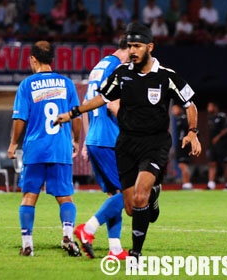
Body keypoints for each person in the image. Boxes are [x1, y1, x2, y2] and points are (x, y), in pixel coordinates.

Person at [53, 22, 201, 259]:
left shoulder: (166, 76)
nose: (133, 50)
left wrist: (192, 131)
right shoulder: (121, 74)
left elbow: (189, 103)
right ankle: (151, 197)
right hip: (125, 145)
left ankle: (133, 253)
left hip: (154, 144)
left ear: (149, 47)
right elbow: (101, 99)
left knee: (137, 195)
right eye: (130, 46)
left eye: (138, 46)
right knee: (132, 206)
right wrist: (73, 113)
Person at [7, 40, 82, 257]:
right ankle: (68, 235)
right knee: (65, 197)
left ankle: (27, 244)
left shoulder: (27, 85)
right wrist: (76, 140)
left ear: (33, 59)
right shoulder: (66, 83)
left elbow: (20, 118)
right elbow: (76, 114)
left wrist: (13, 143)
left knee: (29, 196)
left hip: (35, 149)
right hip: (59, 148)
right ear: (52, 60)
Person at [73, 34, 130, 260]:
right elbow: (113, 104)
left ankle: (115, 249)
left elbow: (88, 105)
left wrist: (87, 139)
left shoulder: (98, 67)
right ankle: (88, 229)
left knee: (116, 194)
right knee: (129, 194)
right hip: (111, 139)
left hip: (97, 138)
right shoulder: (118, 69)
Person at [207, 101, 227, 190]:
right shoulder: (210, 118)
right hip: (212, 145)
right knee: (212, 163)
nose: (208, 108)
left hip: (222, 144)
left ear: (215, 107)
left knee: (224, 164)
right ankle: (211, 184)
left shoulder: (222, 116)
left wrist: (218, 137)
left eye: (210, 106)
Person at [171, 104, 193, 190]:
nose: (173, 111)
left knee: (183, 165)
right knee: (181, 164)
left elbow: (190, 131)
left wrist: (188, 142)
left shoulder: (184, 118)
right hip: (180, 144)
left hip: (184, 144)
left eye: (175, 109)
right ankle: (185, 183)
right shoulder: (178, 119)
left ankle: (187, 183)